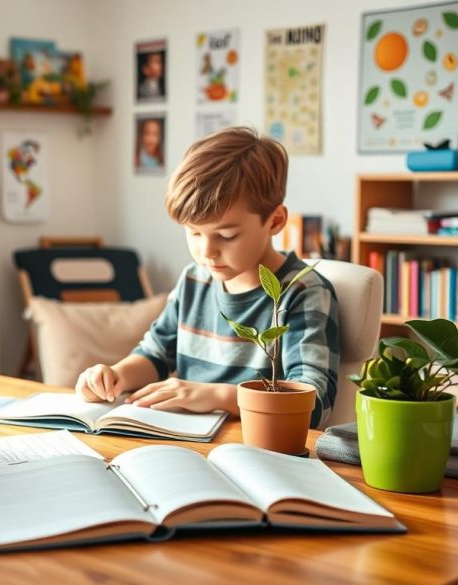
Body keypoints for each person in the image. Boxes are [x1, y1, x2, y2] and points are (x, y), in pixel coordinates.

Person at [77, 126, 339, 427]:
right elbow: (155, 354)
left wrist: (217, 396)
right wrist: (115, 376)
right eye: (194, 232)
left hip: (257, 454)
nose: (207, 252)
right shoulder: (194, 280)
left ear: (275, 221)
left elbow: (314, 403)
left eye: (226, 235)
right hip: (188, 445)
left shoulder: (302, 291)